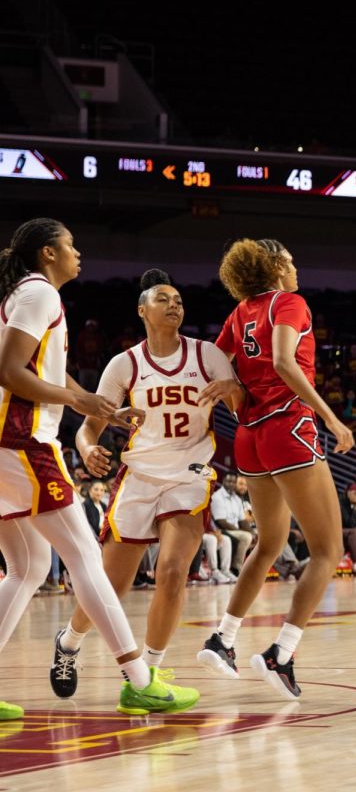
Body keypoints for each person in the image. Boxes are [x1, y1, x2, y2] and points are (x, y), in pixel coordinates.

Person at [0, 219, 196, 719]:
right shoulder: (39, 294)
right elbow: (9, 370)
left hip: (7, 444)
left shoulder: (28, 295)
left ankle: (132, 674)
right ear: (48, 253)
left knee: (29, 568)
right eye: (71, 245)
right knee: (87, 557)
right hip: (23, 441)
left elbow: (41, 367)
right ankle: (139, 681)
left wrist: (96, 407)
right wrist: (74, 398)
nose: (78, 253)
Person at [51, 269, 244, 704]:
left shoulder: (207, 355)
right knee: (110, 585)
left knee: (172, 571)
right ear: (143, 310)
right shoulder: (126, 364)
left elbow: (240, 404)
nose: (175, 304)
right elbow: (90, 426)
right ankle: (68, 643)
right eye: (164, 299)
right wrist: (85, 449)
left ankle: (148, 675)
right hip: (138, 476)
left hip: (189, 474)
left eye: (178, 299)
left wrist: (234, 386)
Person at [195, 238, 354, 700]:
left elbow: (211, 360)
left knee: (269, 543)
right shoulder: (290, 303)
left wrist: (232, 386)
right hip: (287, 429)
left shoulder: (240, 311)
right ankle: (280, 653)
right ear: (278, 264)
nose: (298, 266)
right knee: (328, 551)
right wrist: (329, 416)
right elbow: (284, 361)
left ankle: (222, 638)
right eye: (292, 258)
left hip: (249, 437)